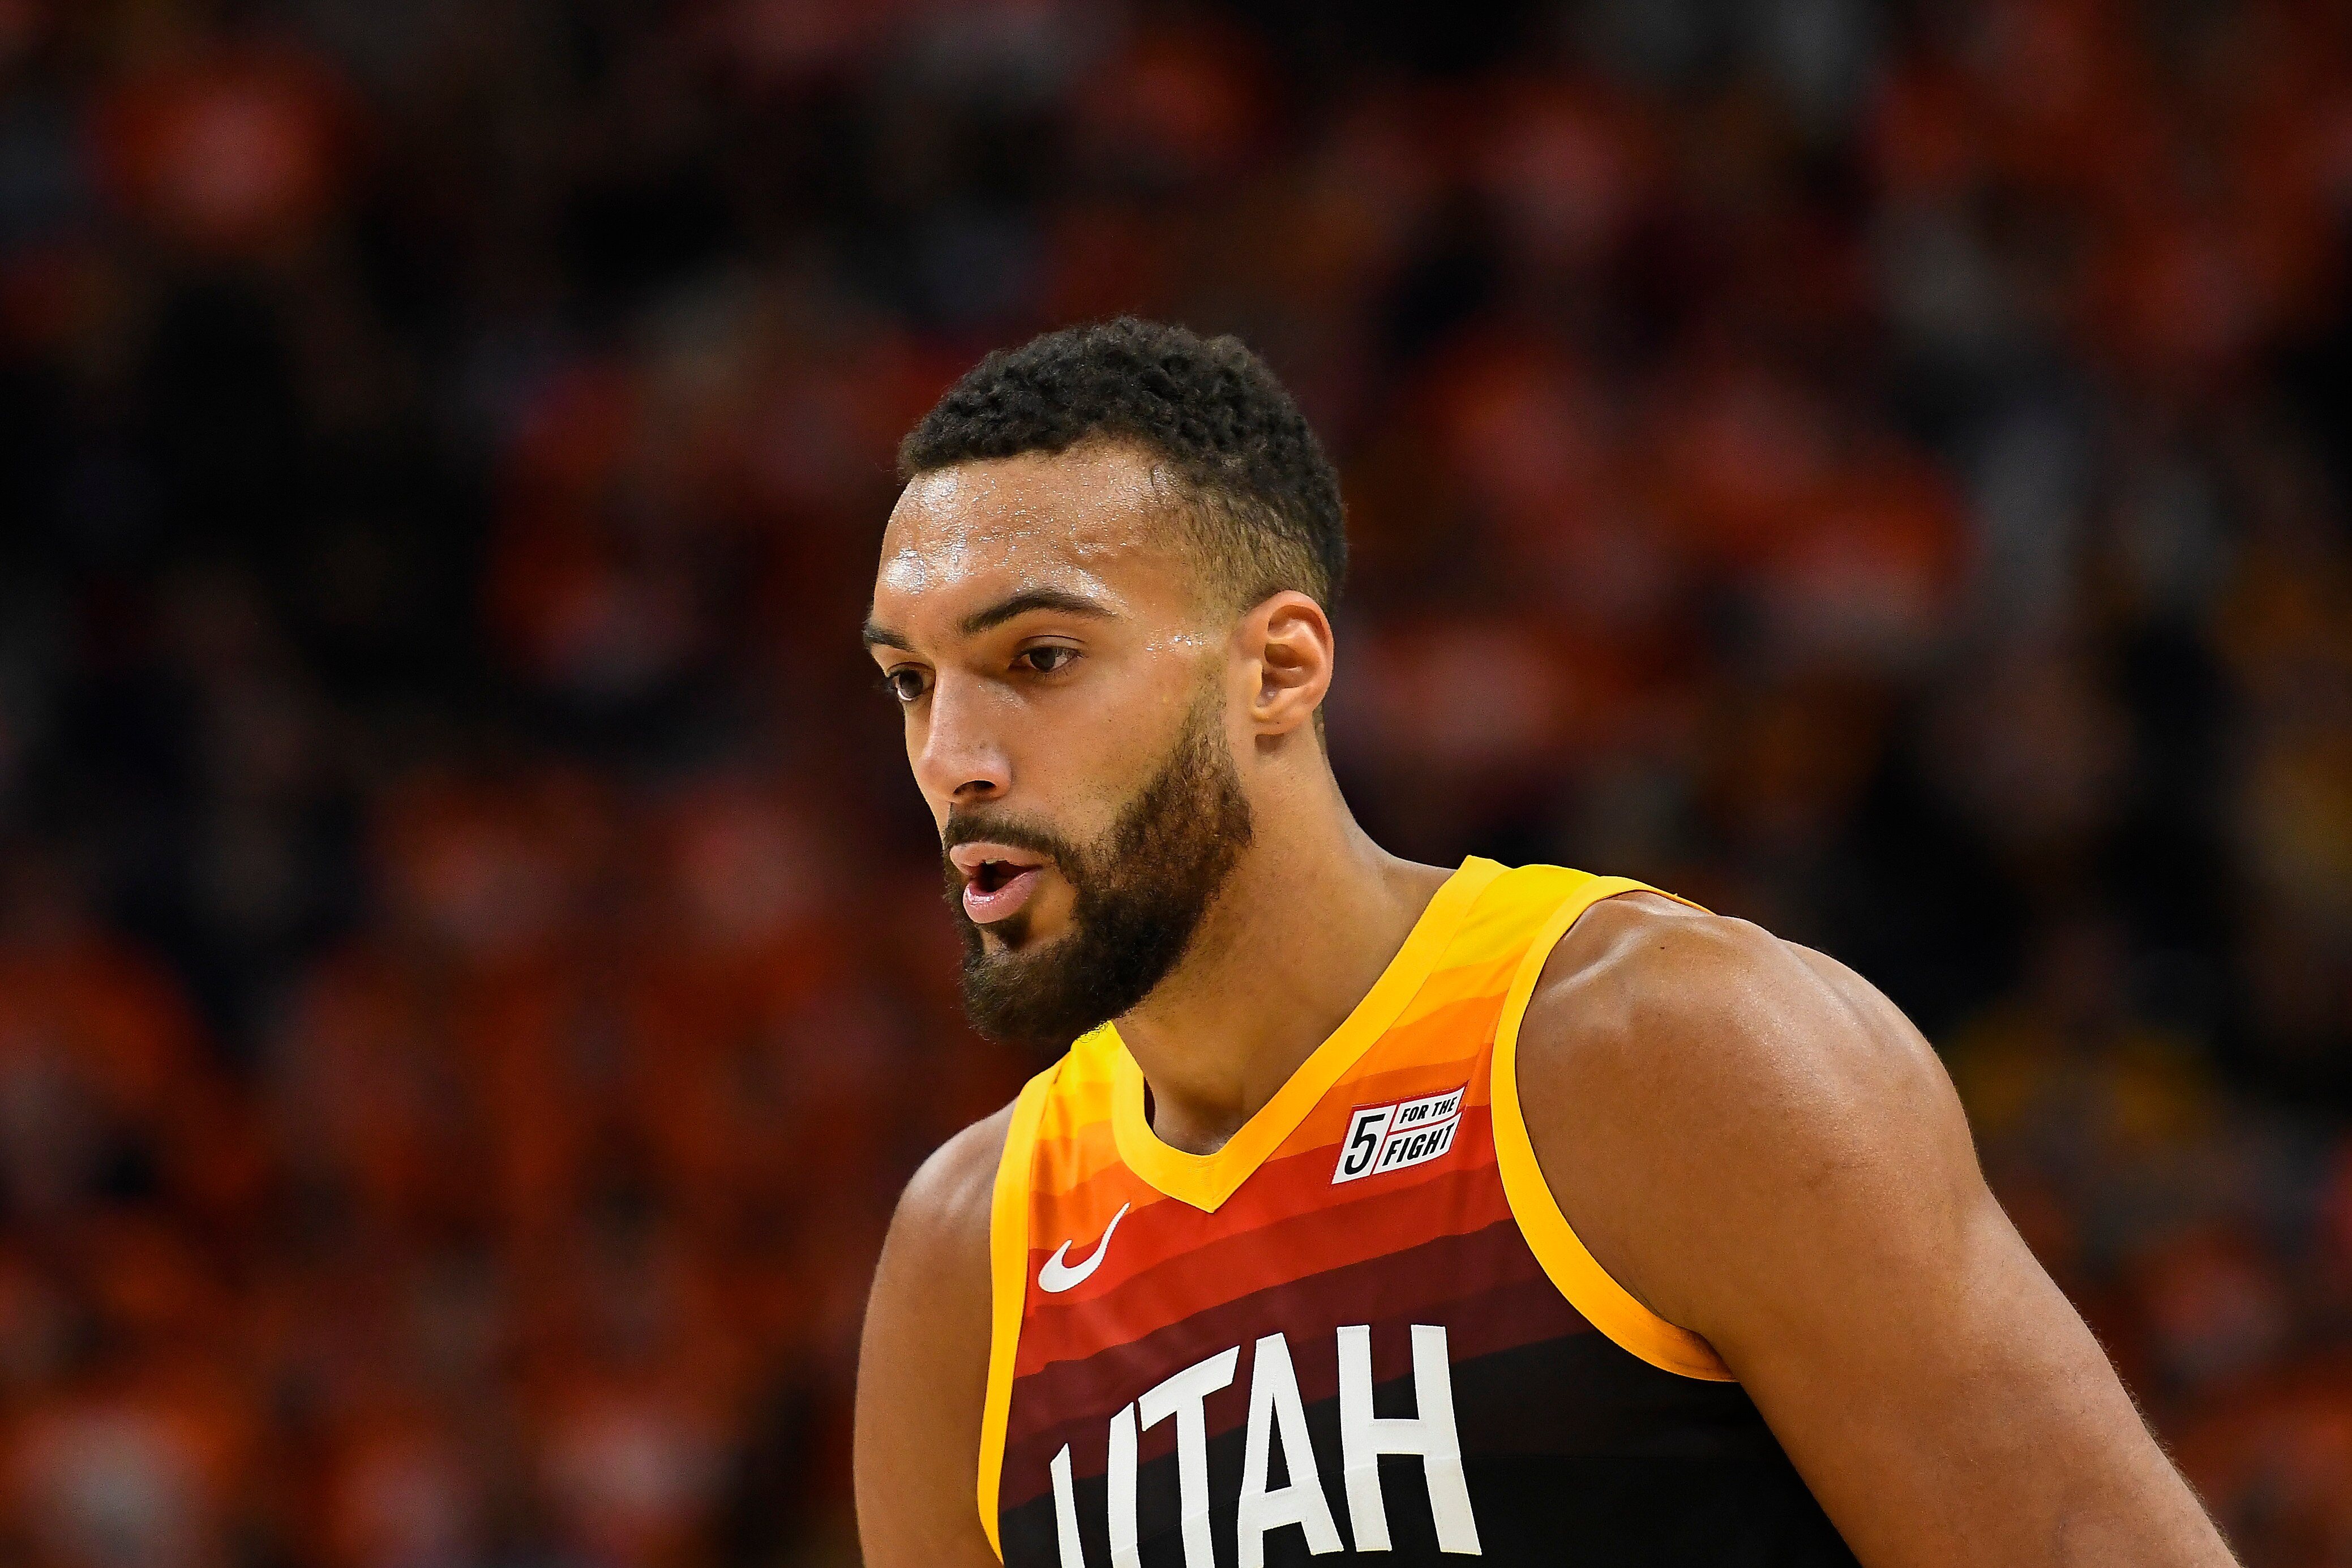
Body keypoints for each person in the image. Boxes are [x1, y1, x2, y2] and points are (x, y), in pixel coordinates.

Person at [851, 319, 2236, 1568]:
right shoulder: (968, 1262)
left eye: (1039, 657)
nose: (953, 758)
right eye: (912, 681)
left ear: (1276, 669)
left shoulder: (1657, 1052)